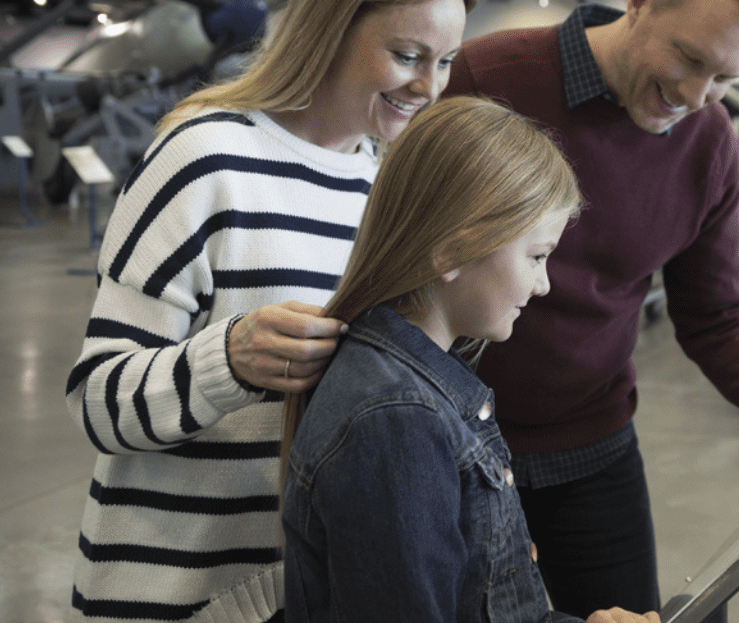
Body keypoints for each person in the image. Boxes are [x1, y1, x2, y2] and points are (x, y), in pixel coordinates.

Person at [66, 0, 477, 623]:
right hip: (168, 594)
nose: (427, 87)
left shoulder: (381, 187)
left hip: (295, 596)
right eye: (408, 55)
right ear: (330, 26)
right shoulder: (204, 160)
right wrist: (230, 358)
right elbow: (98, 403)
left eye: (443, 62)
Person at [443, 0, 739, 617]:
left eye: (726, 78)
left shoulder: (709, 140)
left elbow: (715, 313)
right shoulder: (488, 79)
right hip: (452, 444)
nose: (696, 95)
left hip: (592, 445)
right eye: (689, 58)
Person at [279, 97, 656, 623]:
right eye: (536, 256)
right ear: (454, 252)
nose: (544, 283)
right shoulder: (398, 419)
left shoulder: (420, 390)